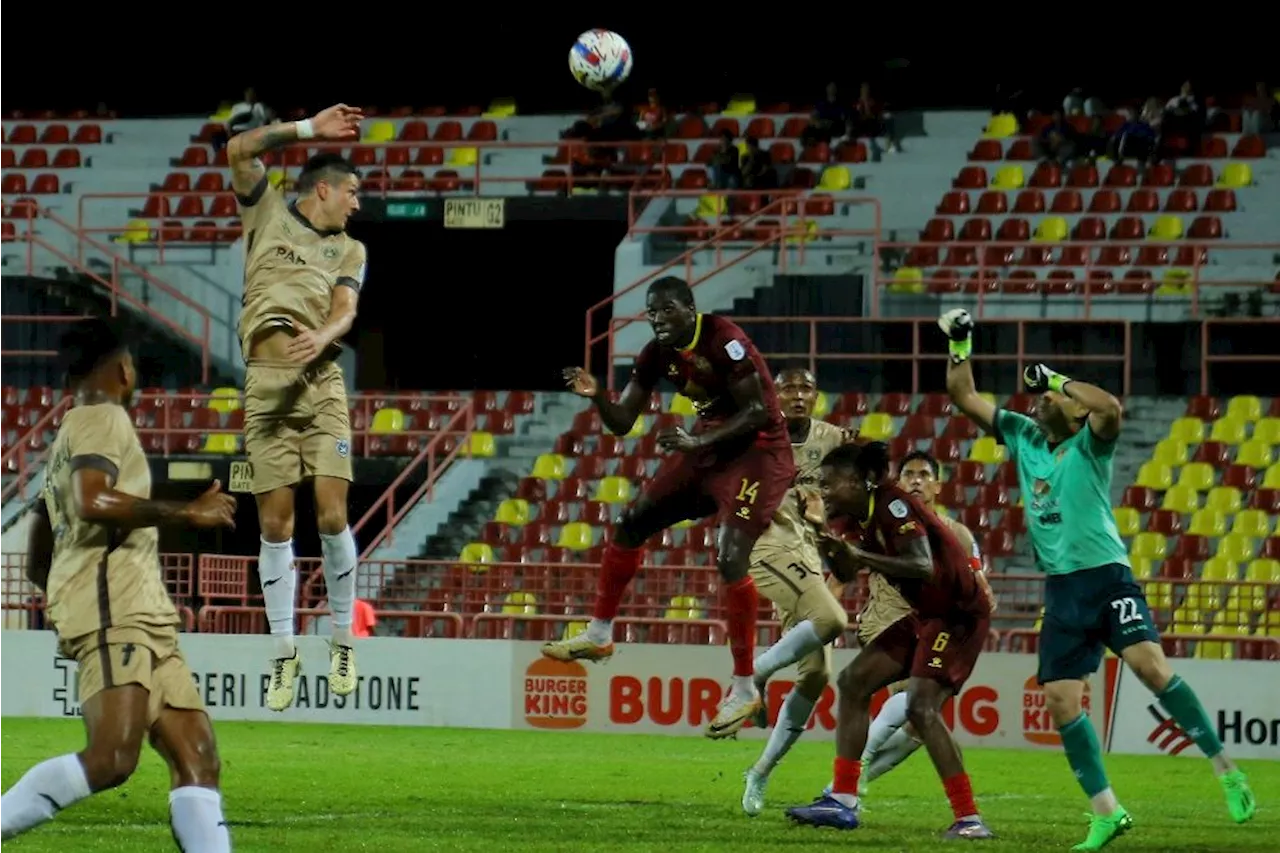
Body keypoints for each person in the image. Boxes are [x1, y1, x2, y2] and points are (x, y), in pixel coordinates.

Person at [939, 308, 1256, 851]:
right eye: (1041, 397)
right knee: (1062, 701)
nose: (1038, 401)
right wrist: (963, 342)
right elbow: (963, 395)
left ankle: (1227, 770)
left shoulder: (1092, 443)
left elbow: (1108, 406)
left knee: (1150, 668)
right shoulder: (1021, 434)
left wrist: (1057, 378)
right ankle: (1106, 812)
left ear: (1075, 413)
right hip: (1062, 588)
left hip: (1108, 578)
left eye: (1053, 400)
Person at [0, 319, 236, 851]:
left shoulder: (69, 431)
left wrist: (61, 585)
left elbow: (42, 533)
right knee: (111, 758)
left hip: (139, 613)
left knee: (197, 756)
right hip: (117, 611)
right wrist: (187, 512)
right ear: (124, 369)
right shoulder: (103, 417)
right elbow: (90, 499)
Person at [543, 276, 796, 739]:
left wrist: (697, 440)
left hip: (760, 452)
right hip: (708, 446)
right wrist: (598, 394)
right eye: (651, 312)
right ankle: (599, 635)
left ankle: (744, 686)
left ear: (690, 309)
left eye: (666, 311)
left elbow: (758, 412)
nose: (658, 320)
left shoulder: (726, 340)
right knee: (631, 523)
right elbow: (622, 423)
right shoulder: (656, 354)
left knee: (730, 555)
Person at [228, 103, 367, 712]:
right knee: (276, 526)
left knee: (332, 515)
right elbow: (239, 149)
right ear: (324, 189)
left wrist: (328, 333)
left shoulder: (350, 250)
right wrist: (308, 130)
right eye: (352, 193)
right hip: (264, 387)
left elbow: (349, 308)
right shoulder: (266, 215)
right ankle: (283, 654)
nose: (357, 204)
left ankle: (341, 640)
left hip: (320, 382)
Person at [786, 441, 995, 840]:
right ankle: (842, 802)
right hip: (925, 614)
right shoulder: (851, 517)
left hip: (958, 614)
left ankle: (969, 819)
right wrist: (818, 533)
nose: (826, 492)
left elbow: (921, 565)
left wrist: (857, 555)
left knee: (920, 707)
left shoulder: (893, 505)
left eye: (831, 485)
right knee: (852, 683)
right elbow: (845, 571)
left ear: (859, 480)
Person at [740, 368, 851, 816]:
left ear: (816, 396)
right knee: (832, 620)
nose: (798, 395)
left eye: (806, 388)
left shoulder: (835, 440)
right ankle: (752, 677)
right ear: (775, 394)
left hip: (808, 559)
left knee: (817, 676)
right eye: (789, 388)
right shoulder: (757, 434)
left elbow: (857, 484)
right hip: (766, 545)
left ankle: (760, 772)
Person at [856, 450, 989, 794]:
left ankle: (848, 785)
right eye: (909, 474)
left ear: (938, 485)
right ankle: (846, 783)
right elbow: (842, 573)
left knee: (920, 721)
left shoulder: (957, 534)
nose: (916, 480)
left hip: (935, 628)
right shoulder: (884, 527)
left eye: (925, 474)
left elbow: (980, 584)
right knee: (917, 705)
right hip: (887, 620)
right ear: (898, 483)